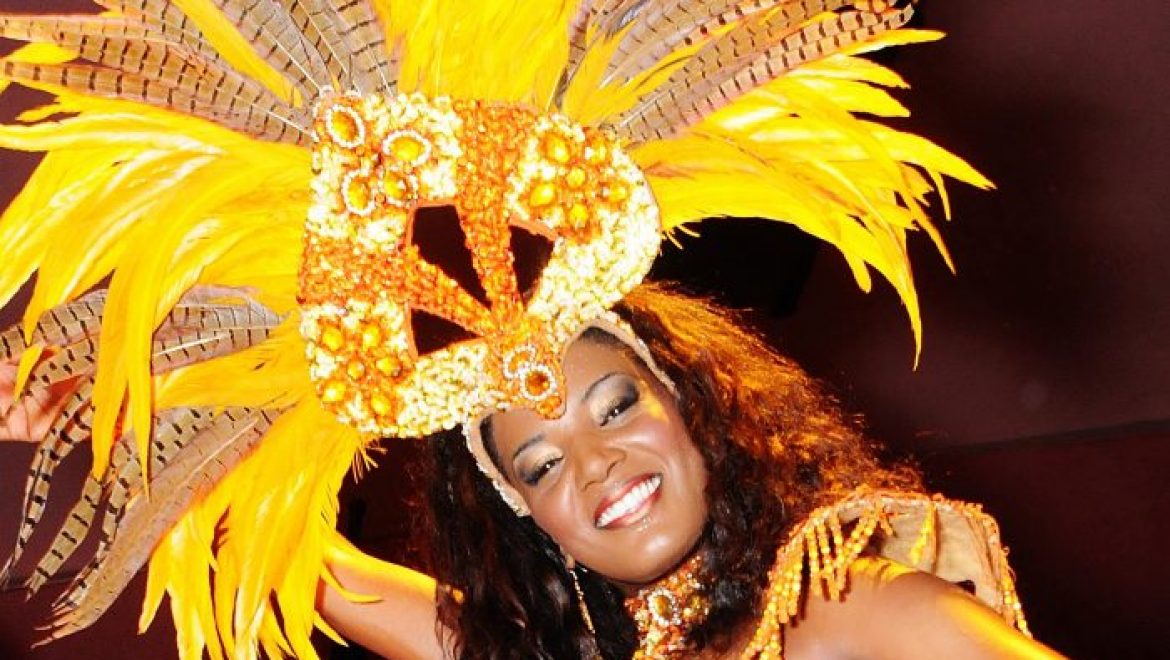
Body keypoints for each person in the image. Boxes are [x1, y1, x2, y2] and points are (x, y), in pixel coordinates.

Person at [0, 1, 1060, 658]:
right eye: (544, 463)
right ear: (528, 516)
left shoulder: (855, 608)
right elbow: (327, 576)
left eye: (617, 407)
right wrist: (122, 421)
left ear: (696, 405)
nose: (597, 466)